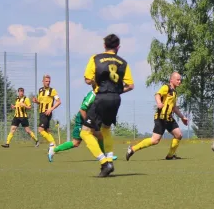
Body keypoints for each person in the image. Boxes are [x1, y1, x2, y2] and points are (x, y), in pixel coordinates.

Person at [81, 34, 134, 177]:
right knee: (106, 129)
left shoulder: (96, 58)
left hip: (101, 97)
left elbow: (87, 79)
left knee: (85, 132)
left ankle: (104, 162)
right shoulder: (123, 62)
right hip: (116, 98)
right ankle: (110, 160)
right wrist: (116, 91)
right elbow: (130, 85)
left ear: (104, 46)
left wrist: (96, 85)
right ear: (118, 47)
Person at [126, 72, 188, 161]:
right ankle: (132, 149)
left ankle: (170, 155)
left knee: (178, 135)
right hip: (161, 118)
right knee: (155, 140)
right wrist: (159, 102)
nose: (179, 81)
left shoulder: (174, 92)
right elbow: (157, 95)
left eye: (180, 79)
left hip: (169, 118)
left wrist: (182, 117)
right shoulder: (166, 87)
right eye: (178, 79)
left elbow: (174, 108)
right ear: (171, 80)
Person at [47, 83, 117, 162]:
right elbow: (82, 110)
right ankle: (54, 150)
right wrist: (87, 121)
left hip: (89, 120)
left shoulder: (98, 95)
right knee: (76, 142)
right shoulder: (92, 96)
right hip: (82, 121)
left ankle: (104, 156)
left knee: (100, 136)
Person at [32, 75, 61, 149]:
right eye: (46, 81)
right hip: (41, 112)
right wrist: (36, 101)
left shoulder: (52, 90)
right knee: (47, 131)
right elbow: (40, 102)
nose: (48, 83)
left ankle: (52, 144)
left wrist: (51, 109)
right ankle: (54, 146)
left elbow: (58, 102)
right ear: (43, 81)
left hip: (46, 113)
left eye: (49, 81)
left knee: (40, 130)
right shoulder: (40, 90)